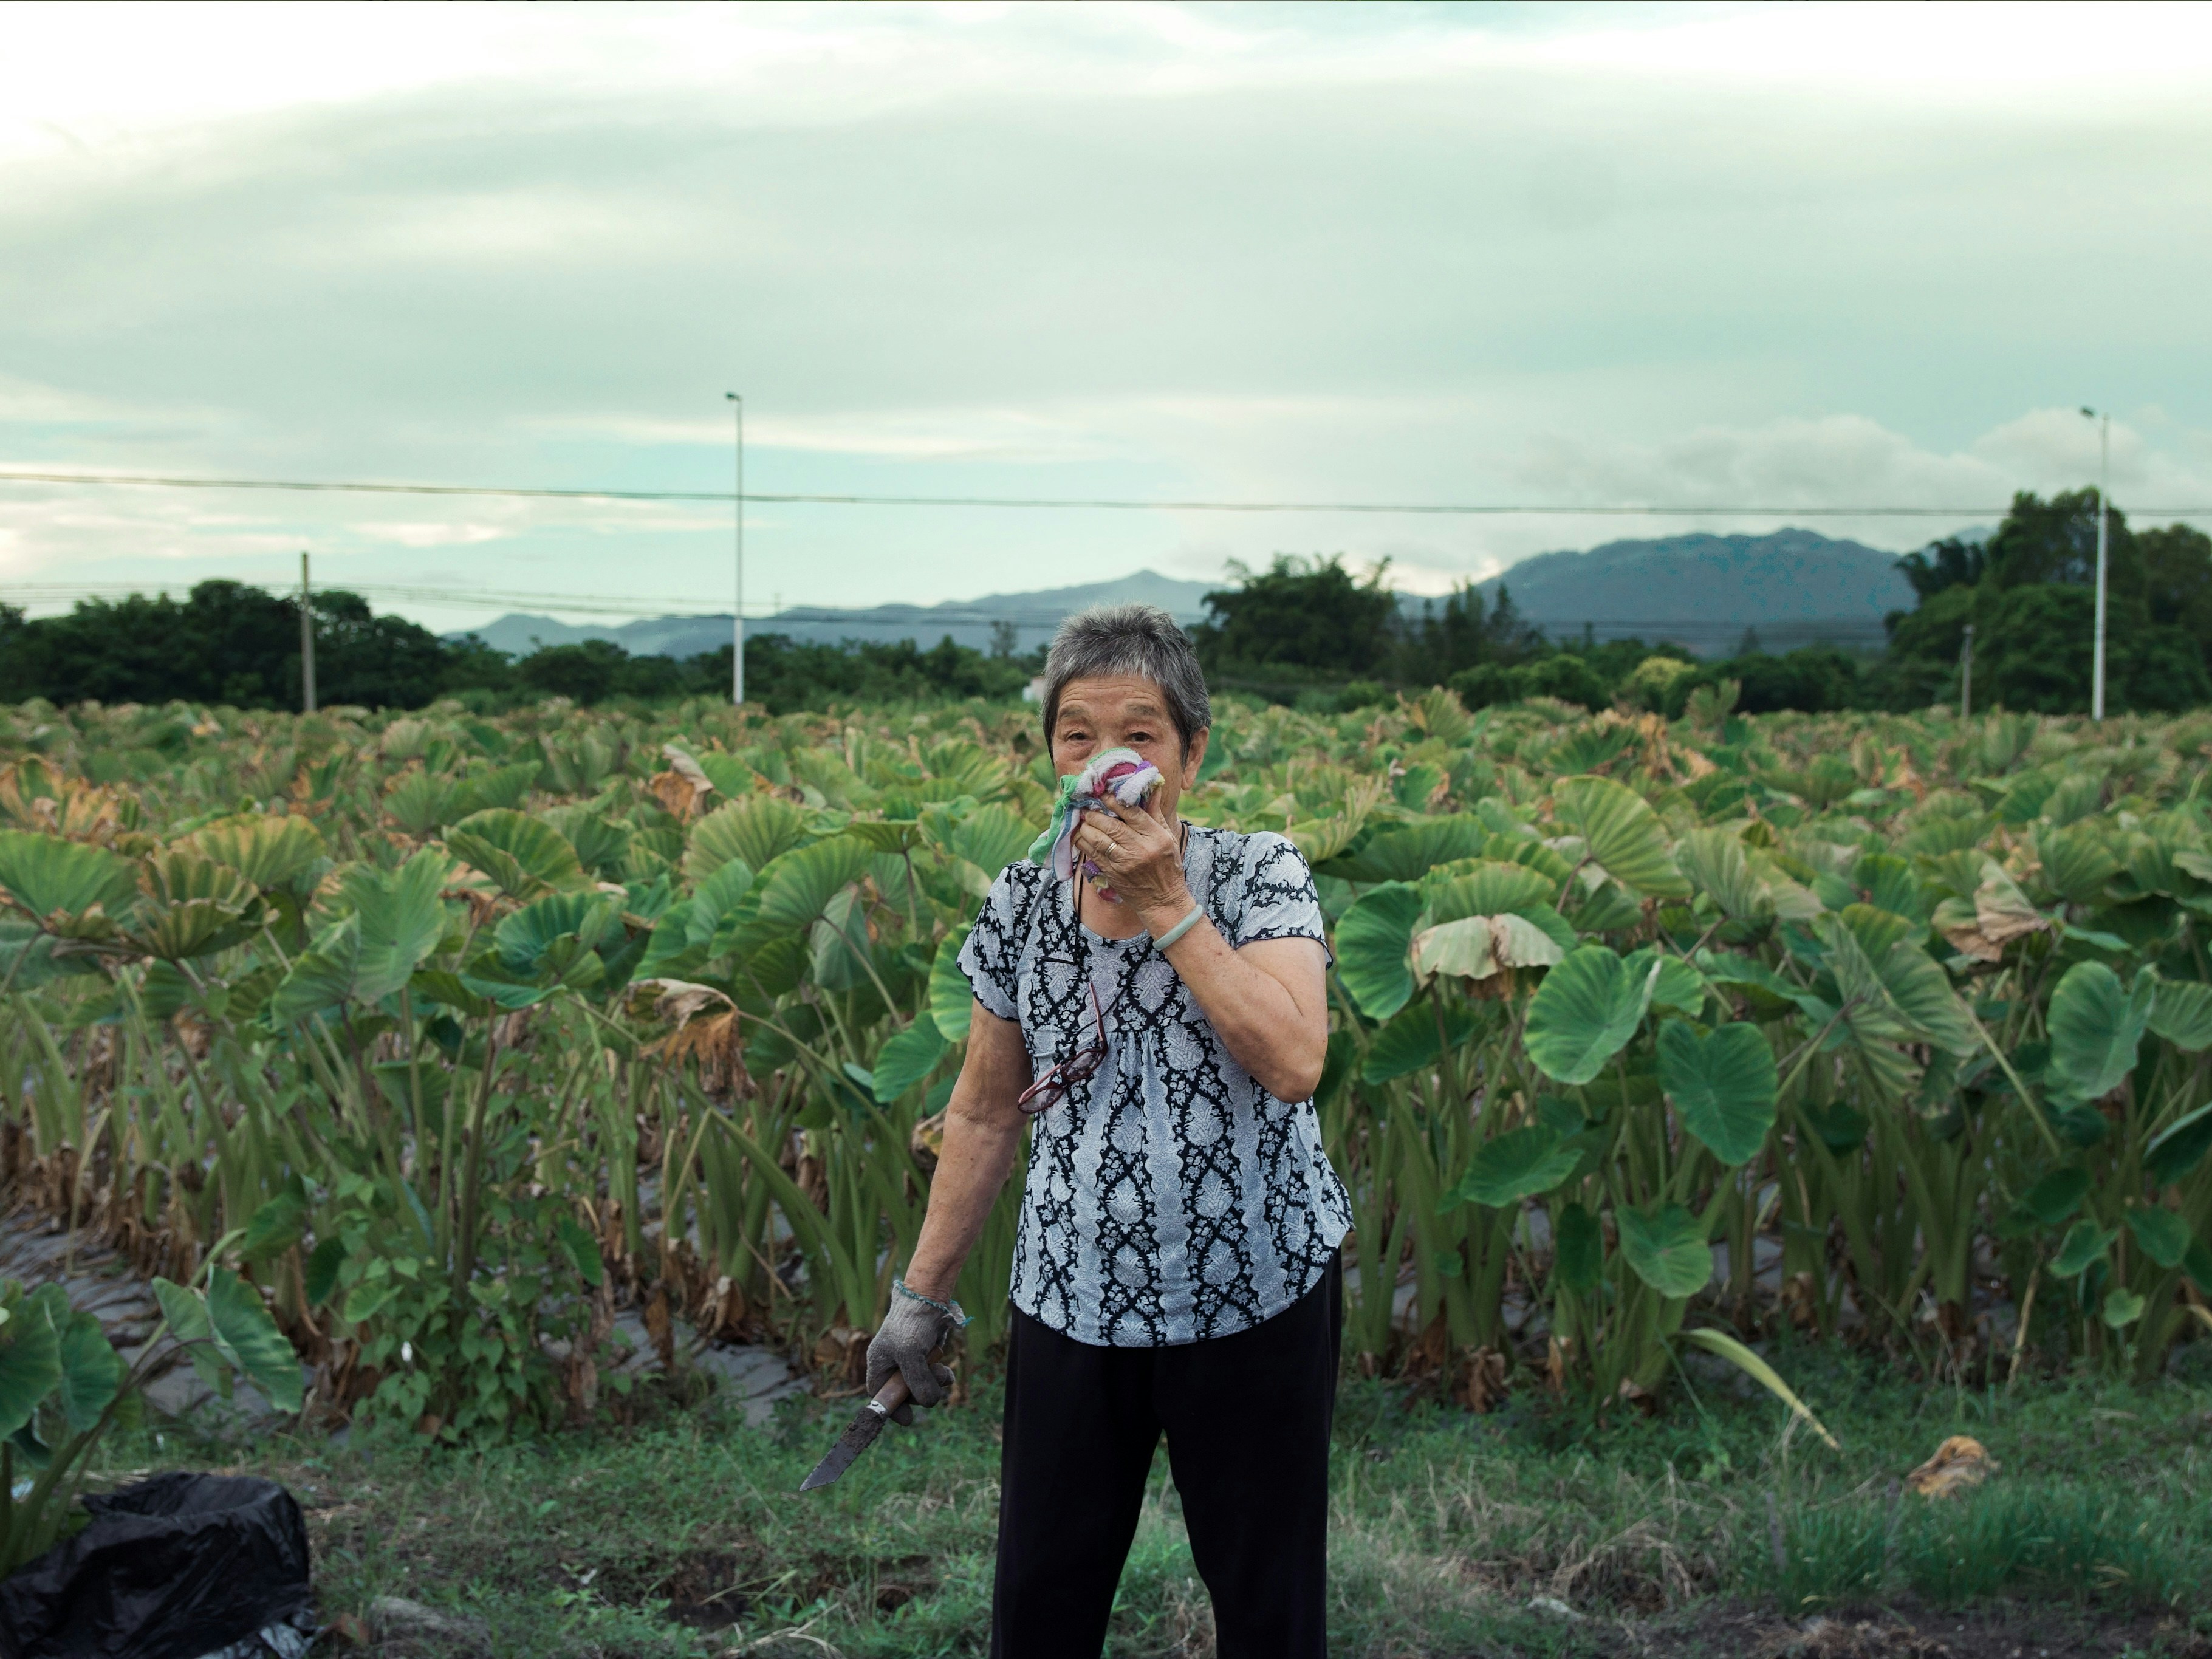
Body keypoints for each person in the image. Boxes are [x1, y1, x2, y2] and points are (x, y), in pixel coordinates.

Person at [863, 603, 1352, 1658]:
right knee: (1042, 1604)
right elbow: (988, 1111)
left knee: (1267, 1608)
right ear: (1050, 755)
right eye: (1076, 734)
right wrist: (921, 1299)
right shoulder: (1019, 904)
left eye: (1139, 733)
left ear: (1191, 756)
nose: (1104, 759)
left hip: (1253, 1295)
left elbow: (1293, 1061)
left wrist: (1167, 901)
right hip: (1073, 1301)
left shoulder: (1259, 874)